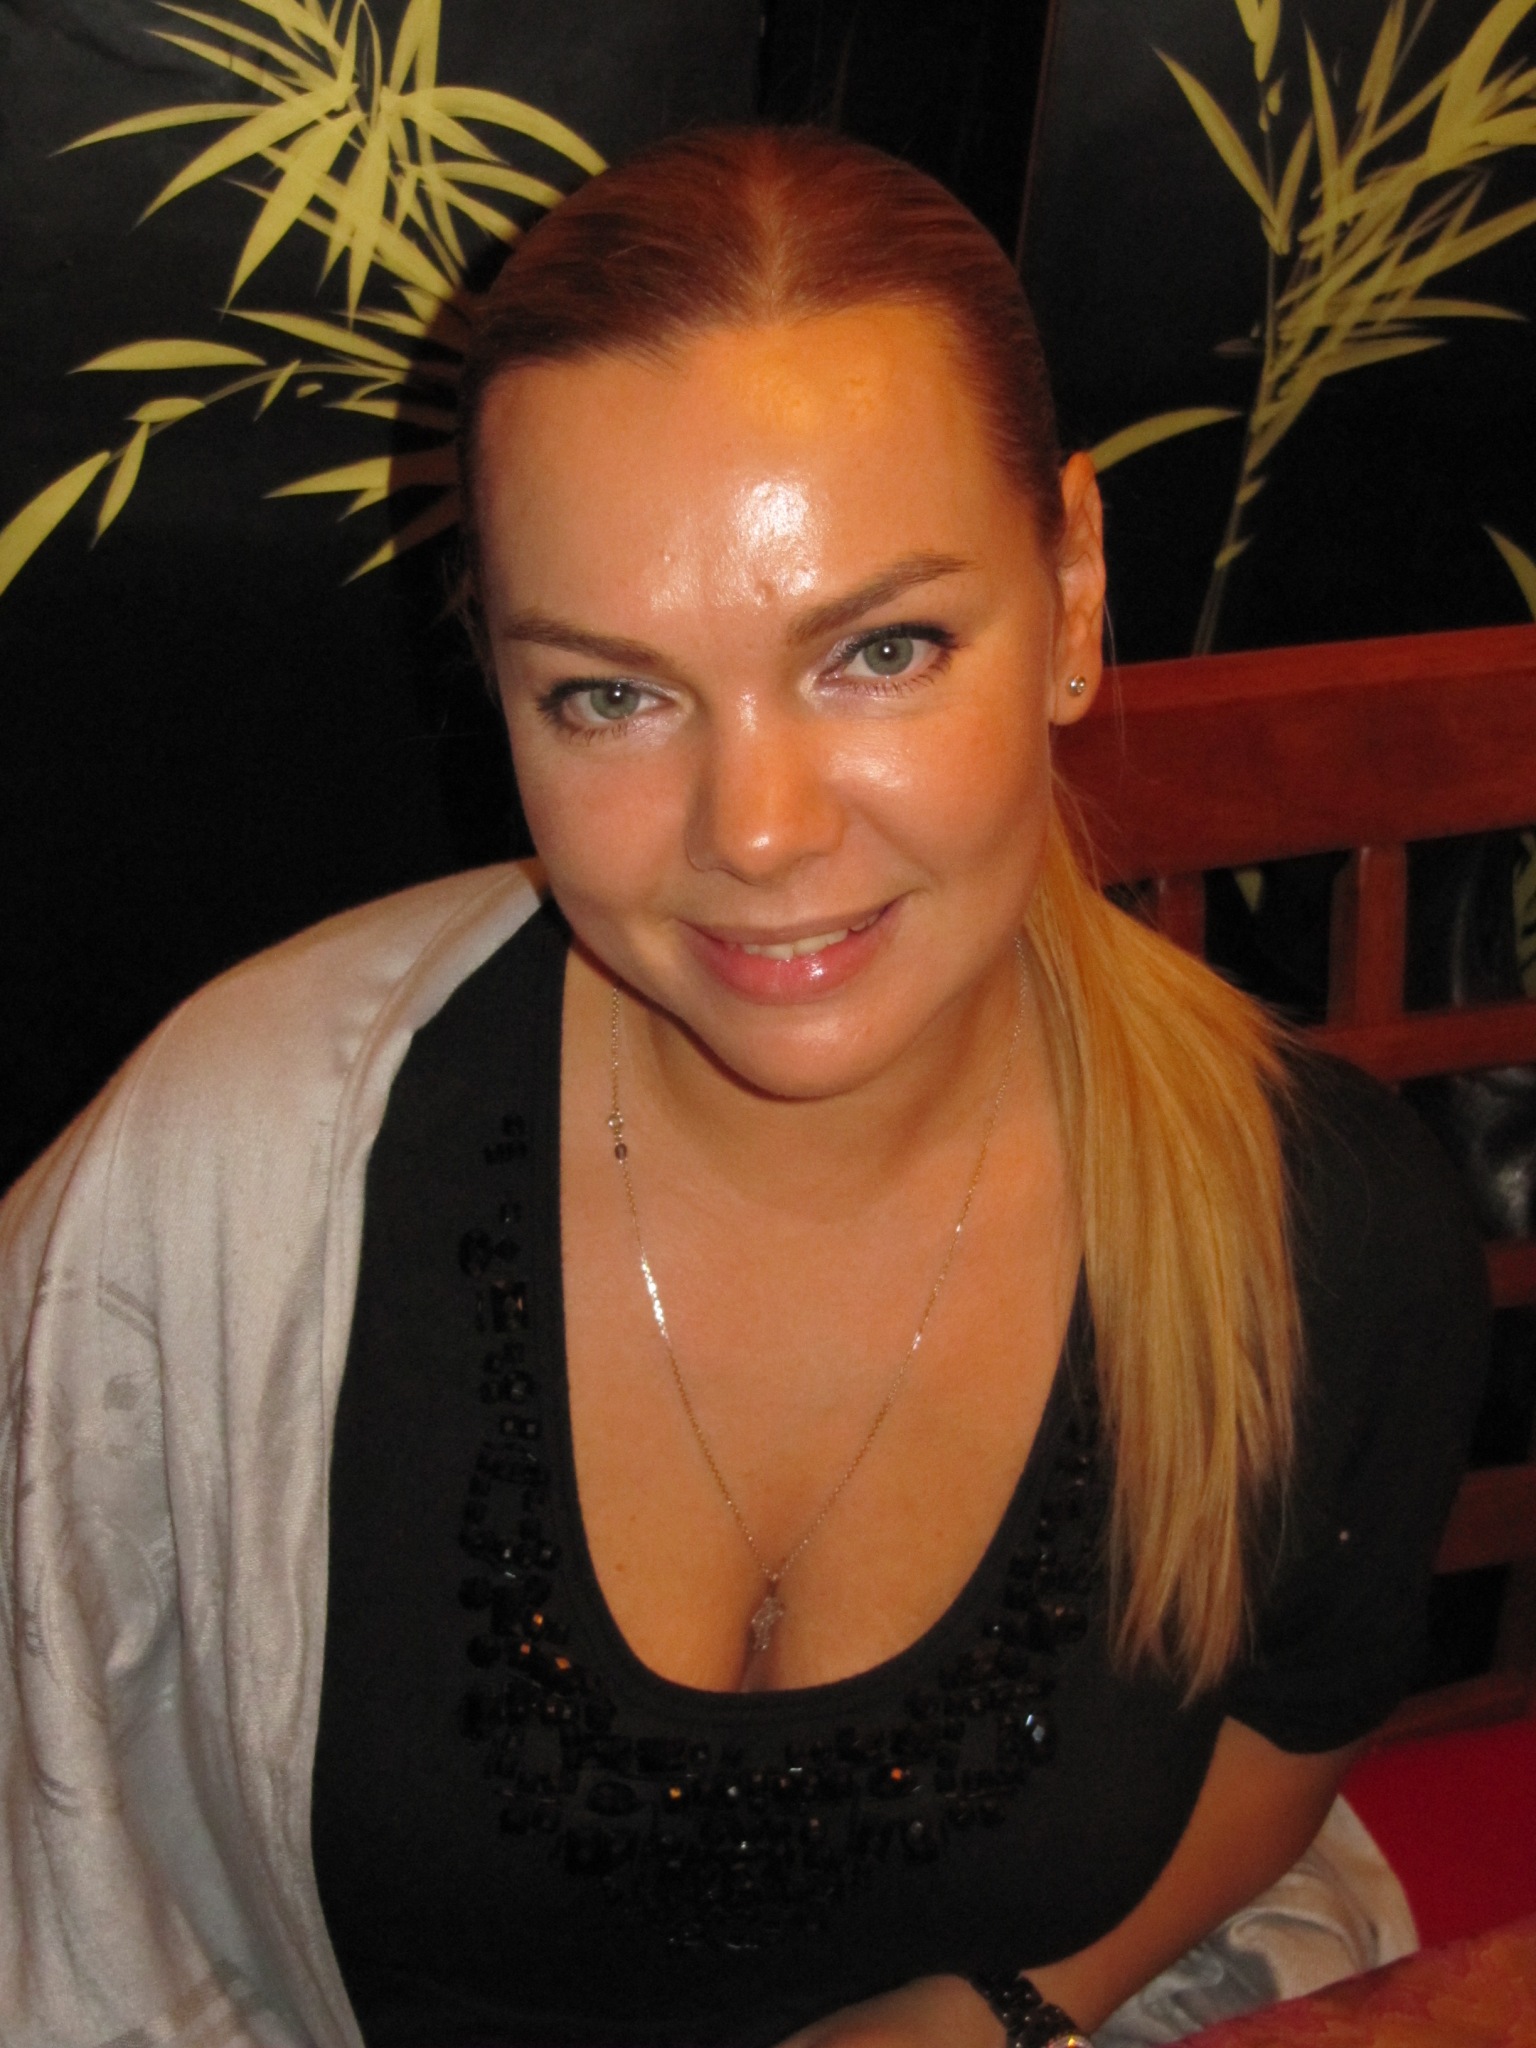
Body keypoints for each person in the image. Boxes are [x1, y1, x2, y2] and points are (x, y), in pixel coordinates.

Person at [0, 127, 1488, 2048]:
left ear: (1074, 593)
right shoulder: (241, 1169)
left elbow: (1290, 1730)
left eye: (879, 649)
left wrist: (1002, 2006)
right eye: (610, 695)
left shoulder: (1324, 1227)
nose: (758, 831)